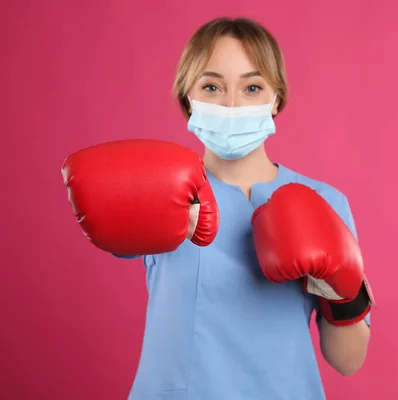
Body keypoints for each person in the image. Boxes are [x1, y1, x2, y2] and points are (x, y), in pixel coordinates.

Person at [61, 17, 374, 400]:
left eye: (252, 87)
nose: (231, 104)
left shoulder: (325, 200)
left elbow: (347, 361)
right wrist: (150, 204)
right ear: (187, 98)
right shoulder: (161, 189)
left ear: (276, 97)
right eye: (211, 86)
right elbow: (113, 230)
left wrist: (343, 289)